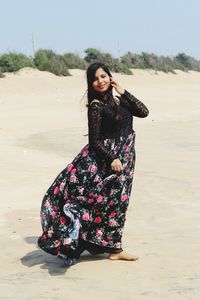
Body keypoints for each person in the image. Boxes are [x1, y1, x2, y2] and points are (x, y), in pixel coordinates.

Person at [38, 62, 149, 266]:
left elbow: (143, 112)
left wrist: (123, 91)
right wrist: (112, 158)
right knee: (96, 202)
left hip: (126, 159)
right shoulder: (96, 106)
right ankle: (82, 243)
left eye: (104, 76)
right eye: (95, 79)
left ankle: (114, 249)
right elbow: (95, 141)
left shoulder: (120, 101)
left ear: (110, 77)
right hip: (105, 162)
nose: (100, 81)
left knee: (118, 204)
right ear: (90, 83)